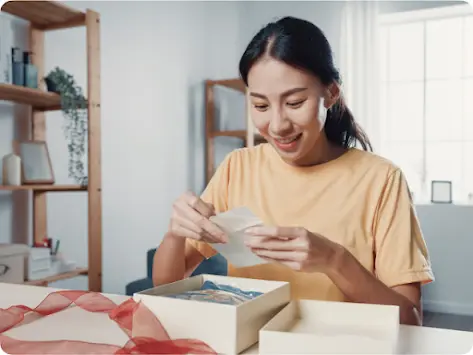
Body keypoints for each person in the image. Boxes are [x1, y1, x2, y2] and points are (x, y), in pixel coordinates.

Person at [153, 16, 434, 325]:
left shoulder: (381, 180)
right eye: (260, 106)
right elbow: (167, 286)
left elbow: (410, 320)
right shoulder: (238, 167)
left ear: (330, 94)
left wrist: (334, 261)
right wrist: (174, 233)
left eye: (295, 102)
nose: (277, 126)